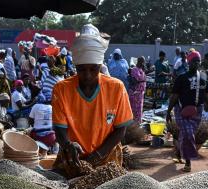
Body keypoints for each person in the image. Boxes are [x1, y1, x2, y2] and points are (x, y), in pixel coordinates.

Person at [52, 24, 134, 177]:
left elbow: (120, 129)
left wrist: (98, 155)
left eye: (93, 69)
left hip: (107, 157)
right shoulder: (61, 89)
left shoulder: (116, 88)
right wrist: (68, 145)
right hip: (72, 158)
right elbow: (59, 129)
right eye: (82, 69)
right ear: (75, 66)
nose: (88, 75)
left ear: (100, 66)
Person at [166, 50, 208, 172]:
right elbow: (174, 96)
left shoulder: (203, 77)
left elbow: (207, 95)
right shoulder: (182, 78)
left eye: (198, 61)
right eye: (194, 61)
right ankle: (188, 162)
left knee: (185, 134)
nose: (196, 64)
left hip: (197, 111)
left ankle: (179, 151)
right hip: (181, 110)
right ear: (189, 62)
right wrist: (168, 111)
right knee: (188, 134)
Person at [128, 57, 147, 124]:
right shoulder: (134, 70)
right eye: (142, 61)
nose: (143, 63)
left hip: (140, 94)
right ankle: (133, 124)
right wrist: (143, 80)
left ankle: (138, 123)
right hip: (135, 93)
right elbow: (135, 81)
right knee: (134, 108)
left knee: (139, 109)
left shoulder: (141, 69)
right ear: (139, 61)